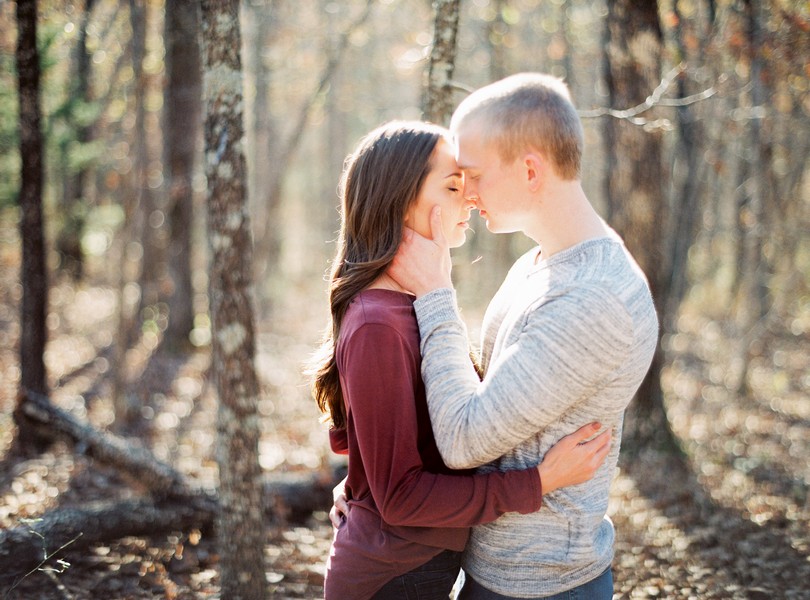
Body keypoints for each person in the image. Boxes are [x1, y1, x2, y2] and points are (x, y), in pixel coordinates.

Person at [309, 120, 613, 600]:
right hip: (392, 579)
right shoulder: (377, 323)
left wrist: (359, 485)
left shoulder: (410, 305)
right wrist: (538, 482)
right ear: (400, 199)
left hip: (419, 568)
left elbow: (378, 442)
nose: (470, 197)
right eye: (453, 186)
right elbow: (401, 496)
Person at [386, 73, 659, 599]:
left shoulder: (594, 299)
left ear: (531, 169)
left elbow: (465, 439)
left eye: (473, 174)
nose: (463, 190)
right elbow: (477, 395)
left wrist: (436, 293)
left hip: (541, 585)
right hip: (494, 570)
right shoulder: (540, 265)